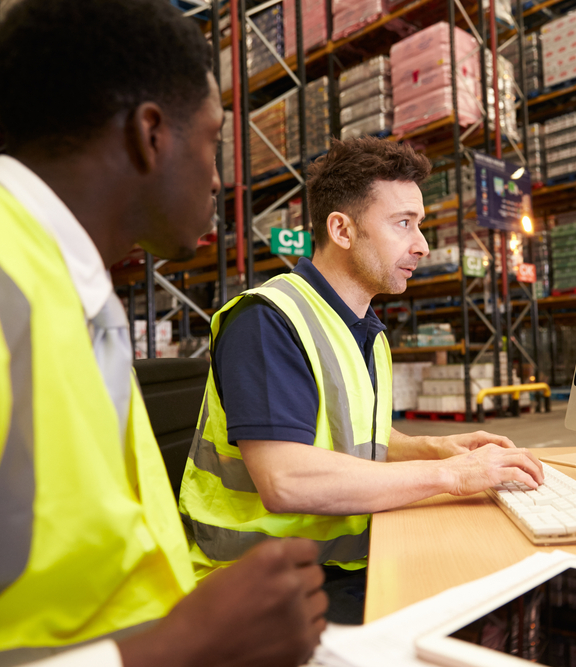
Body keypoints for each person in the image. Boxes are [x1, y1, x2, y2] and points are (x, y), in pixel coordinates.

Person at [0, 1, 325, 665]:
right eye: (211, 139)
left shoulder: (80, 296)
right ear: (151, 134)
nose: (217, 176)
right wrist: (176, 646)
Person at [178, 137, 546, 623]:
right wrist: (451, 477)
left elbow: (359, 439)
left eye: (420, 225)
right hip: (254, 585)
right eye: (403, 224)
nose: (422, 245)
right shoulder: (268, 321)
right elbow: (285, 479)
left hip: (334, 564)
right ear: (342, 230)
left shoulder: (364, 329)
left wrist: (440, 449)